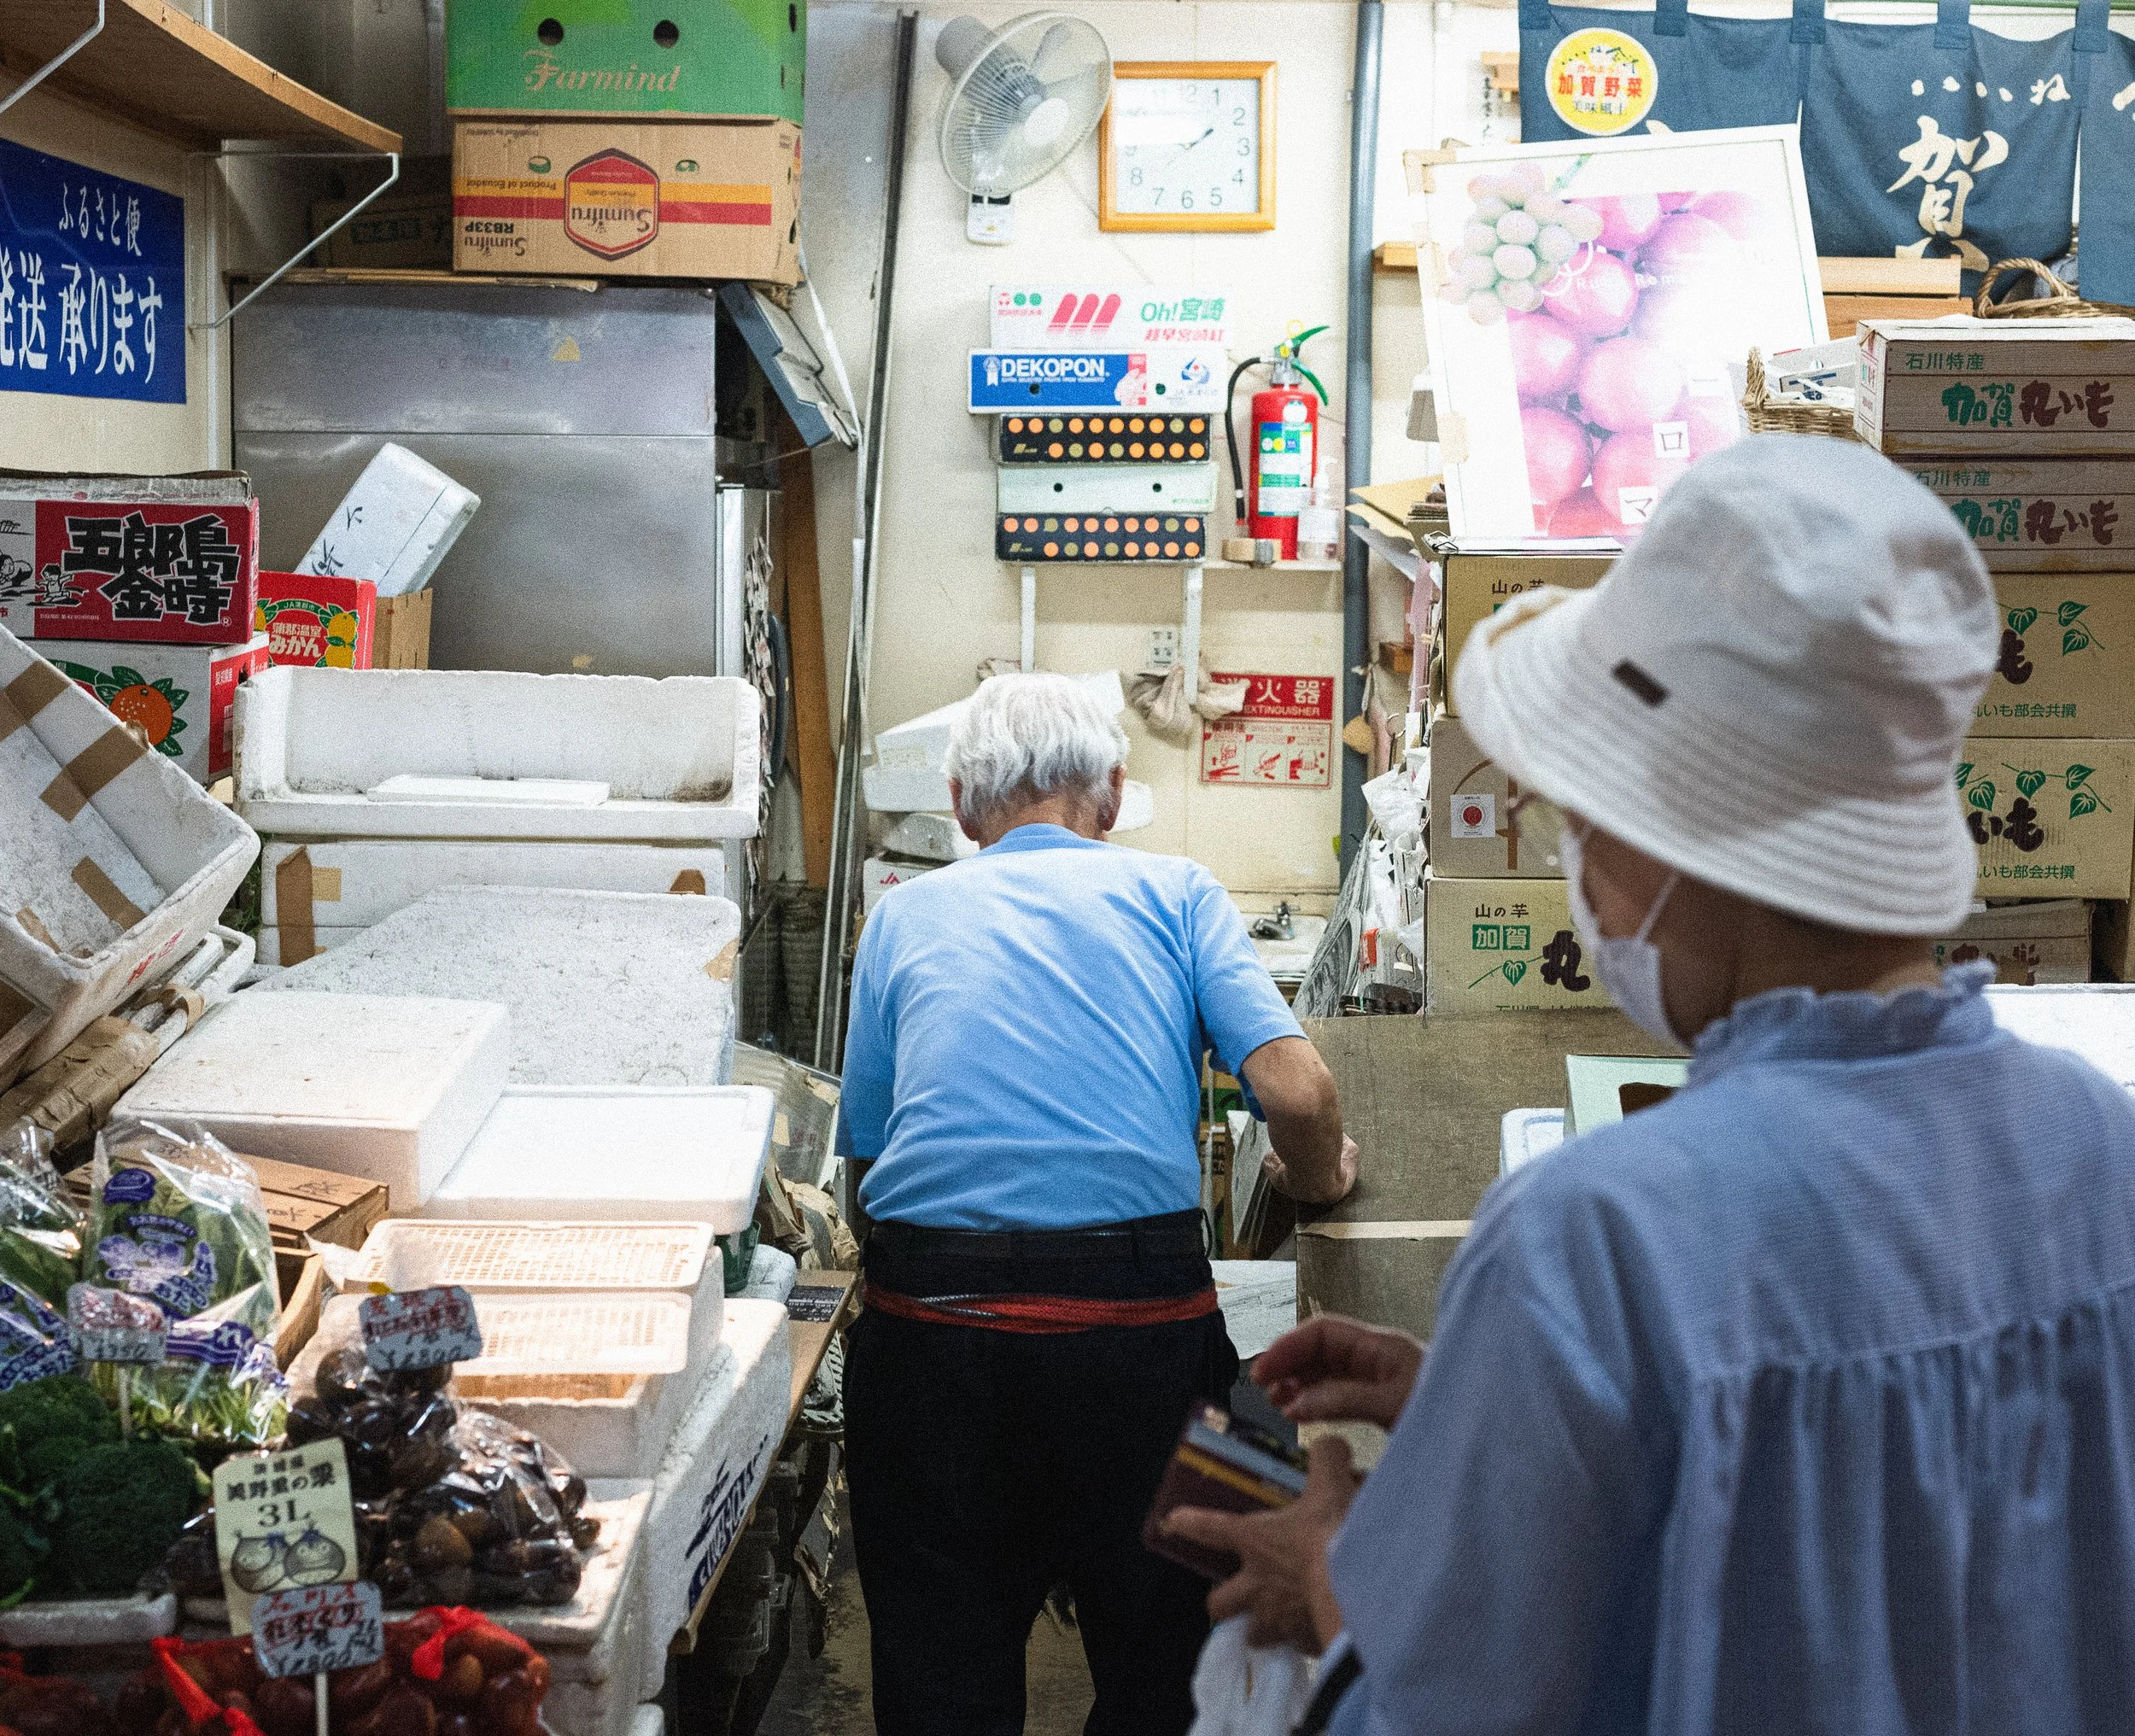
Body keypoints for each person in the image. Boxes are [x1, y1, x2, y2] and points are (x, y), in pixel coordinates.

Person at [1164, 435, 2135, 1733]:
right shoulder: (2100, 1149)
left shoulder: (1595, 1239)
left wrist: (1336, 1578)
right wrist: (1488, 1400)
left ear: (1684, 832)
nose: (1582, 869)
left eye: (1583, 821)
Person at [839, 671, 1358, 1736]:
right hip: (1145, 1342)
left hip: (929, 1345)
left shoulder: (902, 916)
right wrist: (1320, 1181)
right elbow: (1297, 1091)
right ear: (1111, 795)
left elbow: (864, 1176)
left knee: (941, 1676)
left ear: (960, 805)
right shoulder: (1175, 890)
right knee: (1174, 1663)